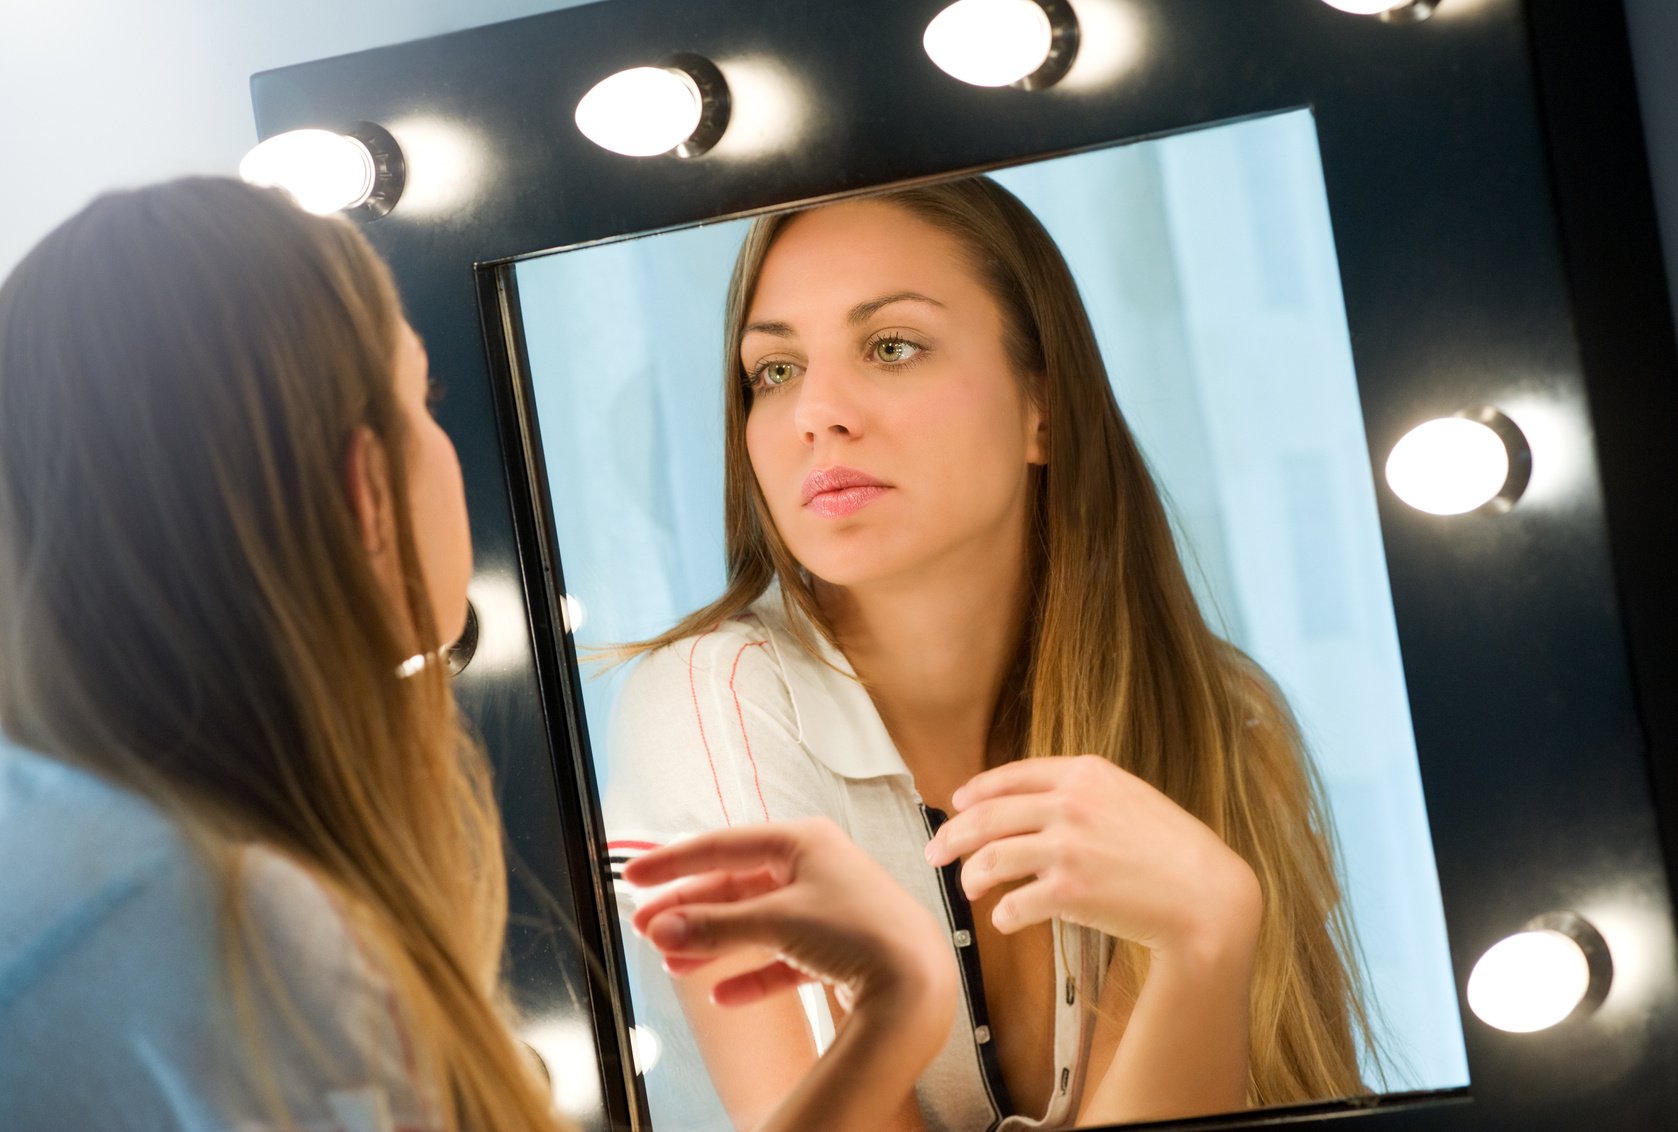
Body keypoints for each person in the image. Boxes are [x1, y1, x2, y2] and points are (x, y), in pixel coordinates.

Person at [0, 178, 940, 1132]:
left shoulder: (93, 884)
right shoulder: (246, 946)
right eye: (425, 396)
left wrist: (893, 1014)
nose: (823, 416)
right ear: (365, 487)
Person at [607, 176, 1376, 1131]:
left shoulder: (1222, 718)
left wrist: (1203, 945)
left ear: (1042, 407)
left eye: (891, 347)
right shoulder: (710, 706)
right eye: (775, 371)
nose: (819, 413)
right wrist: (1207, 937)